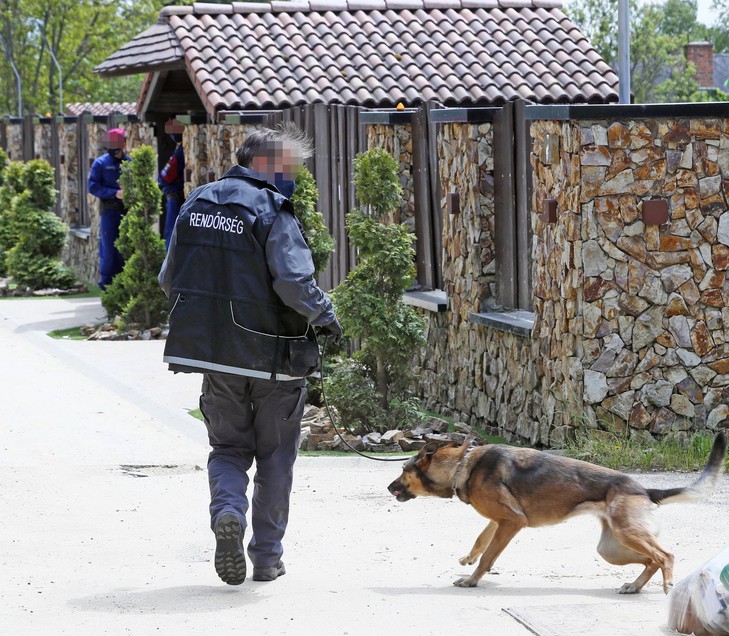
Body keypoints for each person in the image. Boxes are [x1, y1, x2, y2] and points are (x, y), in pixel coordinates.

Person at [158, 123, 342, 586]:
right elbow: (294, 283)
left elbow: (169, 278)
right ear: (268, 165)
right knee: (276, 456)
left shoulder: (196, 203)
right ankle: (265, 557)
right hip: (275, 358)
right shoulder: (272, 210)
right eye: (292, 169)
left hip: (215, 356)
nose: (295, 177)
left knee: (228, 448)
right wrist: (327, 316)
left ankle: (228, 512)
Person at [88, 128, 130, 290]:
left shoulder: (130, 164)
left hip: (128, 211)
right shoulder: (100, 163)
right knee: (109, 250)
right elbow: (93, 187)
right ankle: (107, 287)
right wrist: (115, 193)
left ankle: (126, 286)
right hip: (110, 211)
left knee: (127, 250)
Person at [158, 120, 186, 249]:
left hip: (175, 197)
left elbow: (165, 177)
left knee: (171, 233)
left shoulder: (180, 152)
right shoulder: (180, 150)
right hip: (175, 197)